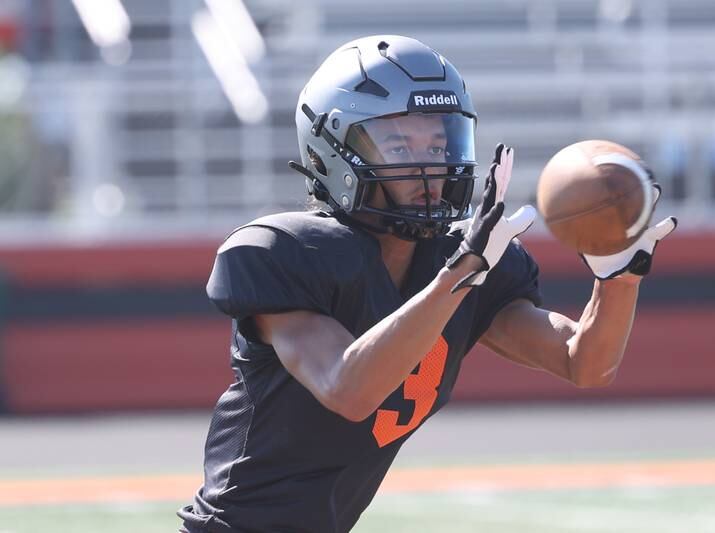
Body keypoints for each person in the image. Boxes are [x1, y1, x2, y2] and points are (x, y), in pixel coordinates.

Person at [178, 35, 677, 533]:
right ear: (334, 148)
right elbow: (348, 390)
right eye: (399, 143)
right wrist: (459, 274)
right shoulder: (287, 251)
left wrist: (617, 275)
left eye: (438, 143)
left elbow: (583, 361)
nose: (429, 165)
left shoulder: (464, 261)